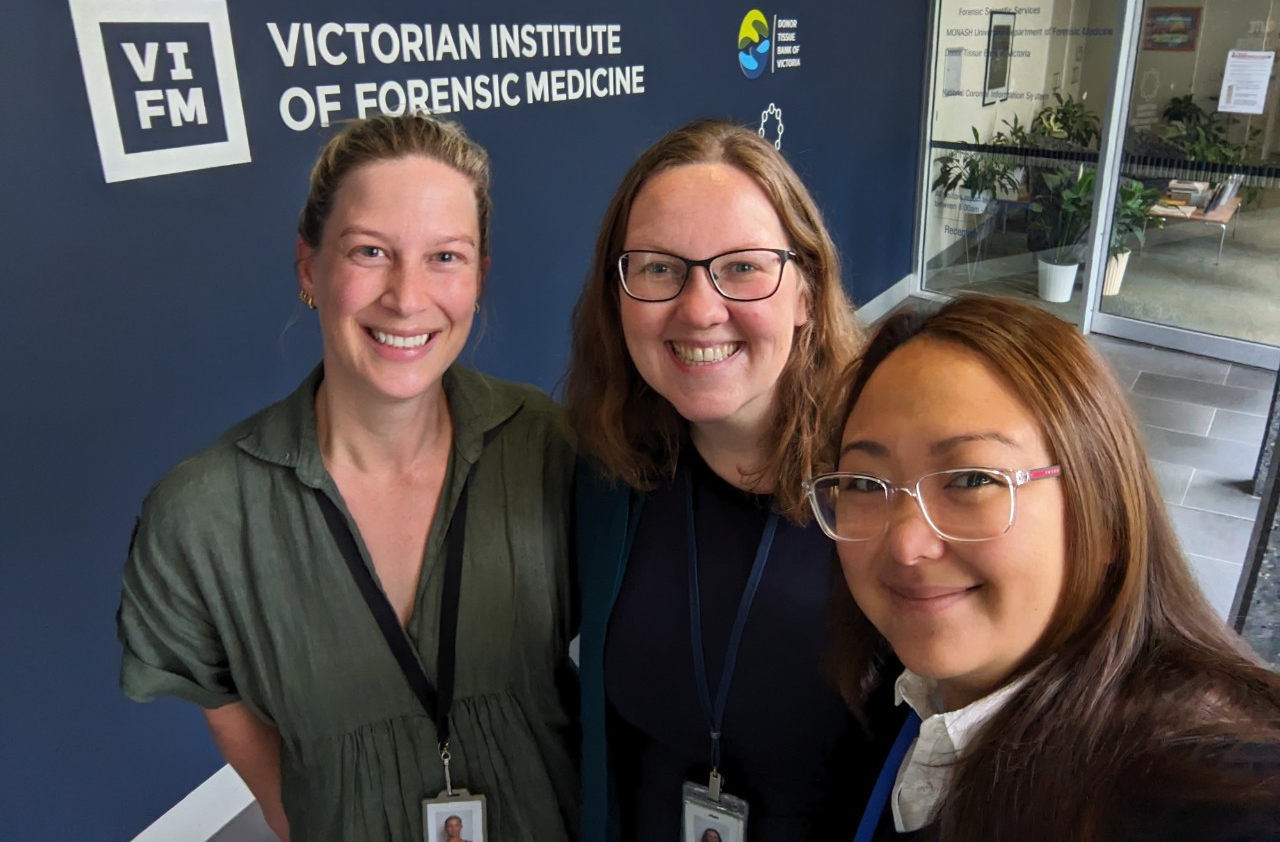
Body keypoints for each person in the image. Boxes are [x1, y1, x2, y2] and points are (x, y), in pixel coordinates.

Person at [117, 113, 578, 842]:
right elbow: (221, 699)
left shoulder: (546, 447)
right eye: (370, 251)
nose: (406, 295)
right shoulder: (201, 518)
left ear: (479, 278)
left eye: (445, 257)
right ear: (310, 269)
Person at [806, 294, 1280, 842]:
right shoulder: (900, 691)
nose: (907, 544)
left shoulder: (1214, 793)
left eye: (972, 479)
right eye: (866, 484)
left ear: (1100, 513)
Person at [567, 119, 893, 841]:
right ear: (617, 295)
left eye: (742, 266)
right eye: (658, 267)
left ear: (806, 291)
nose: (700, 308)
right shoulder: (603, 477)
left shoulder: (889, 491)